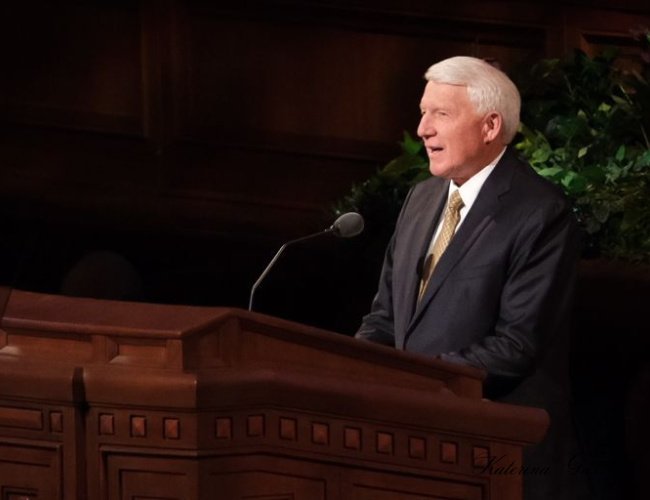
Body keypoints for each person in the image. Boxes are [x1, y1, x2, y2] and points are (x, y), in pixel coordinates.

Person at [356, 56, 582, 499]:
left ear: (491, 126)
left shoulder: (540, 213)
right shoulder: (421, 199)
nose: (423, 129)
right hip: (407, 442)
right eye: (423, 112)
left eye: (441, 114)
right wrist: (349, 369)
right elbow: (385, 318)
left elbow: (516, 345)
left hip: (495, 450)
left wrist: (418, 383)